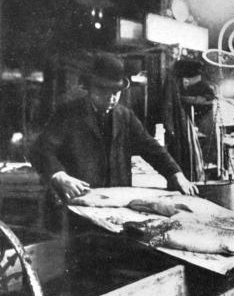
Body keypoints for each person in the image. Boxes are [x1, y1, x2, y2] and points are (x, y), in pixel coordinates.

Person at [31, 53, 198, 201]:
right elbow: (40, 150)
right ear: (90, 88)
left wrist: (176, 174)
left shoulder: (125, 116)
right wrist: (59, 176)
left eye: (116, 92)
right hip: (78, 202)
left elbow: (151, 148)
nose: (111, 98)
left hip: (114, 204)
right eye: (104, 91)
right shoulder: (69, 113)